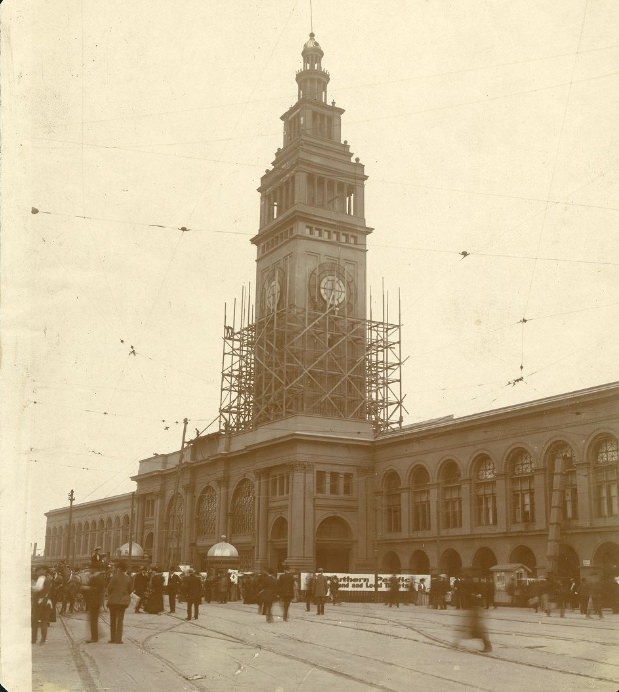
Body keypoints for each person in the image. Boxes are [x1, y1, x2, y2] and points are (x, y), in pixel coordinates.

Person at [106, 561, 132, 644]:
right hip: (122, 602)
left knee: (112, 620)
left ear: (119, 568)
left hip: (113, 602)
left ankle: (112, 638)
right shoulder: (128, 578)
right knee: (120, 620)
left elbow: (109, 588)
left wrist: (112, 595)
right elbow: (130, 590)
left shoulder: (114, 577)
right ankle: (118, 639)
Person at [83, 569, 106, 643]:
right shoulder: (98, 577)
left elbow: (97, 589)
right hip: (96, 601)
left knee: (93, 619)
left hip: (95, 601)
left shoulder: (97, 578)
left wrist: (87, 588)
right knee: (93, 619)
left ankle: (95, 637)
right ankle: (97, 635)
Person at [31, 567, 53, 644]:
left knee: (34, 621)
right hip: (47, 602)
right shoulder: (49, 579)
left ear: (44, 571)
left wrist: (31, 587)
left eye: (38, 570)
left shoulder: (41, 578)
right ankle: (43, 640)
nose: (37, 572)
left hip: (39, 602)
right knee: (44, 621)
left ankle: (34, 639)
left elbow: (38, 588)